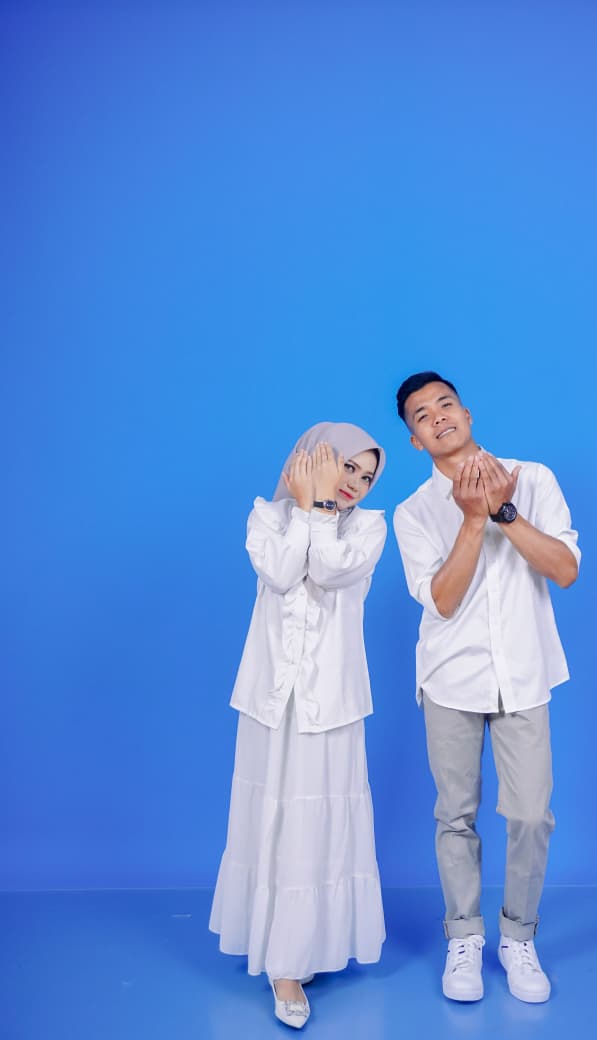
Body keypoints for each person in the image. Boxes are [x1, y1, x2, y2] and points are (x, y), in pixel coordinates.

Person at [392, 372, 580, 1005]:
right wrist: (473, 520)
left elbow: (565, 569)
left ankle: (518, 937)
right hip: (450, 677)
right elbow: (442, 601)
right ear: (416, 440)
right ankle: (464, 936)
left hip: (525, 672)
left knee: (530, 815)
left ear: (467, 413)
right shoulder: (413, 513)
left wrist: (504, 510)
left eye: (445, 404)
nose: (438, 417)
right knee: (456, 815)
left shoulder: (535, 478)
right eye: (422, 415)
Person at [209, 422, 387, 1029]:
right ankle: (281, 963)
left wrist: (320, 509)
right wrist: (307, 510)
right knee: (274, 818)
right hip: (270, 700)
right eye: (347, 466)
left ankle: (301, 951)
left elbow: (332, 571)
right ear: (313, 460)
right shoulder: (266, 518)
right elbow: (282, 573)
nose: (356, 482)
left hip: (331, 702)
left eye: (367, 475)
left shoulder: (368, 528)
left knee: (318, 824)